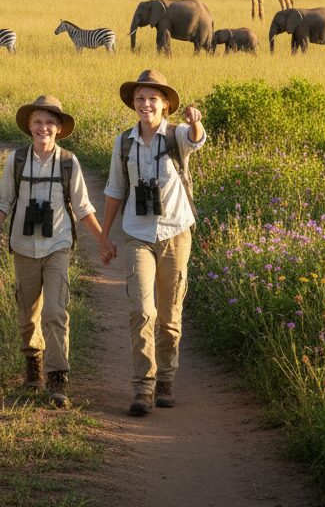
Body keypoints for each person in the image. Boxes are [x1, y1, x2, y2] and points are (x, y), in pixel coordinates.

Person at [98, 69, 205, 416]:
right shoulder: (124, 143)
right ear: (133, 103)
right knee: (142, 311)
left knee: (170, 316)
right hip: (137, 234)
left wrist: (196, 122)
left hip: (175, 233)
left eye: (153, 99)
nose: (146, 104)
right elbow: (115, 190)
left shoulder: (176, 136)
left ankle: (166, 379)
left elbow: (197, 139)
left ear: (165, 105)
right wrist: (105, 235)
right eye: (140, 98)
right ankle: (143, 386)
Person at [0, 95, 104, 408]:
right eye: (38, 122)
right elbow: (3, 202)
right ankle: (33, 361)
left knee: (55, 311)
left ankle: (57, 376)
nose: (44, 128)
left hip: (57, 245)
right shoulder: (16, 161)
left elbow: (82, 206)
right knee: (27, 313)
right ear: (29, 126)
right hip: (24, 246)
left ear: (59, 128)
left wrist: (103, 239)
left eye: (50, 122)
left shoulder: (68, 162)